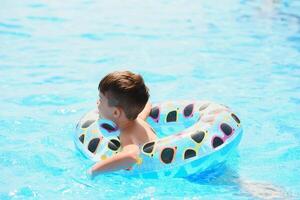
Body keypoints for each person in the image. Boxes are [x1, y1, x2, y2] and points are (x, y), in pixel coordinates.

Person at [88, 71, 157, 176]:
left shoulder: (126, 134)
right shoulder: (138, 119)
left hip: (147, 173)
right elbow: (147, 107)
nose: (97, 103)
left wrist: (94, 170)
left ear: (115, 112)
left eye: (101, 99)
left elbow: (132, 156)